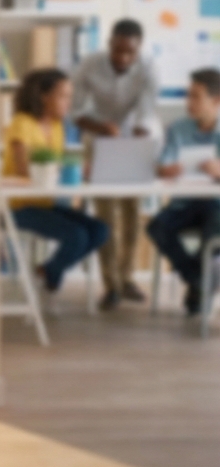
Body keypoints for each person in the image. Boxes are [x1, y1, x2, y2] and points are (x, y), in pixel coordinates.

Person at [70, 18, 159, 309]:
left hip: (133, 137)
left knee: (132, 212)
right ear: (109, 43)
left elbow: (147, 112)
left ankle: (127, 277)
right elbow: (75, 111)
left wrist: (139, 137)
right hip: (98, 137)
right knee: (105, 214)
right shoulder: (89, 65)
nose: (122, 57)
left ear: (138, 49)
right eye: (117, 50)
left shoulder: (149, 68)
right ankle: (111, 286)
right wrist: (101, 128)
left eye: (129, 52)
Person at [4, 68, 109, 296]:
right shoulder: (22, 123)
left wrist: (80, 169)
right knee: (77, 236)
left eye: (70, 96)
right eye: (63, 96)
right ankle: (52, 274)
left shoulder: (58, 127)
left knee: (100, 230)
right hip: (19, 206)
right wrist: (58, 167)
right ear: (44, 96)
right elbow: (25, 171)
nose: (68, 102)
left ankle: (48, 269)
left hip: (45, 204)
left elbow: (54, 167)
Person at [146, 68, 220, 316]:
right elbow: (162, 165)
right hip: (184, 203)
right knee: (157, 227)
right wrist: (166, 170)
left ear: (216, 100)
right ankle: (198, 281)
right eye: (188, 95)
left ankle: (198, 285)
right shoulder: (178, 128)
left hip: (216, 203)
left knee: (216, 228)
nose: (189, 102)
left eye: (196, 97)